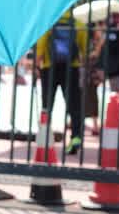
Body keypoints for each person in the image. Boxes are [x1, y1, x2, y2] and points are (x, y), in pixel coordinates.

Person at [36, 10, 90, 154]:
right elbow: (86, 52)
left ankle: (45, 140)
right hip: (71, 69)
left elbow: (39, 49)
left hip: (49, 68)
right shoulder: (79, 25)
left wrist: (37, 65)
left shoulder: (48, 24)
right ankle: (76, 138)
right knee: (74, 106)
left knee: (47, 105)